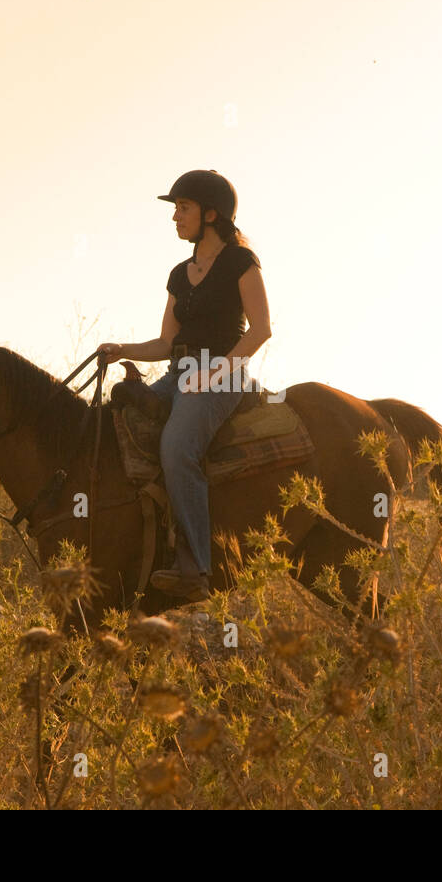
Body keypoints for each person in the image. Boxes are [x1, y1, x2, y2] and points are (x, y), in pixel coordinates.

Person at [97, 170, 272, 603]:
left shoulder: (240, 263)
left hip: (223, 374)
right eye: (175, 209)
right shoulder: (180, 273)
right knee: (120, 415)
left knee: (177, 447)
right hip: (180, 373)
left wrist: (214, 375)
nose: (175, 217)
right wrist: (123, 349)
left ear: (211, 214)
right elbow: (167, 342)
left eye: (183, 208)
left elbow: (261, 331)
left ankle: (195, 567)